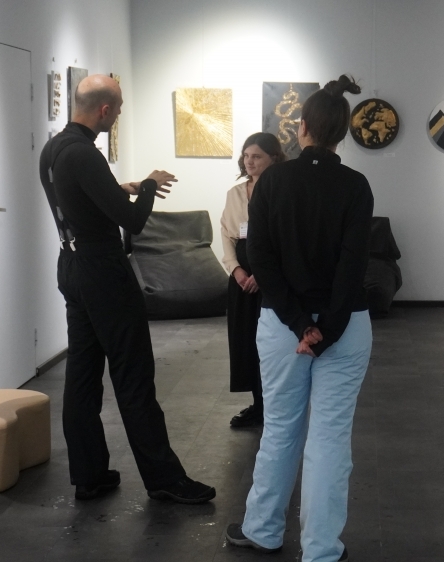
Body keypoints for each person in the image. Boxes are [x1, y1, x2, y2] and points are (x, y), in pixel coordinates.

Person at [38, 74, 216, 504]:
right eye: (117, 108)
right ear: (104, 110)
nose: (118, 114)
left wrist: (126, 188)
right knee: (133, 375)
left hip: (72, 266)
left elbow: (80, 197)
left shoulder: (54, 148)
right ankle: (164, 478)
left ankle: (89, 475)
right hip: (104, 273)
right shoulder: (85, 154)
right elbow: (133, 220)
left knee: (82, 376)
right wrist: (150, 186)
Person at [225, 75, 371, 562]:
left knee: (281, 428)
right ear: (342, 133)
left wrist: (298, 324)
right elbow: (353, 265)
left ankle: (263, 530)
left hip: (281, 326)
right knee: (330, 438)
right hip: (344, 329)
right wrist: (325, 329)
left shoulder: (273, 182)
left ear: (302, 126)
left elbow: (260, 258)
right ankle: (322, 549)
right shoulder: (355, 186)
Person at [220, 132, 287, 428]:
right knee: (245, 340)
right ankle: (258, 404)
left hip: (270, 274)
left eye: (257, 156)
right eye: (246, 156)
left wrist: (263, 274)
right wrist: (236, 270)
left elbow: (284, 237)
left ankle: (274, 405)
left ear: (274, 158)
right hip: (241, 275)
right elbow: (227, 234)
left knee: (270, 344)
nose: (249, 161)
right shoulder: (235, 193)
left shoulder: (283, 191)